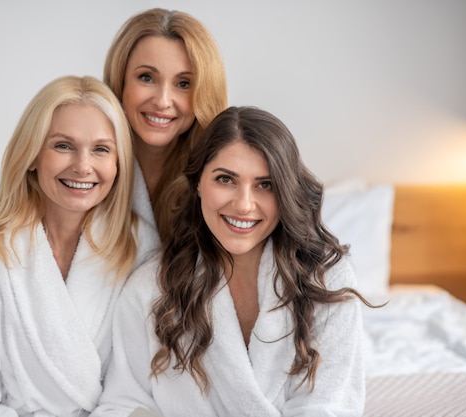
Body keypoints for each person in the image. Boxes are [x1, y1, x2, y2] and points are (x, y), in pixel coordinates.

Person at [92, 106, 372, 416]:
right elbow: (124, 404)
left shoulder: (326, 279)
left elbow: (328, 406)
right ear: (198, 183)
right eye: (226, 179)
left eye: (265, 185)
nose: (243, 204)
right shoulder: (150, 289)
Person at [0, 75, 159, 417]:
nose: (83, 166)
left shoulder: (140, 247)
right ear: (32, 154)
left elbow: (138, 391)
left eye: (101, 149)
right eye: (63, 145)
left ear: (118, 164)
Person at [103, 8, 228, 244]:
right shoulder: (85, 170)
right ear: (120, 81)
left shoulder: (220, 181)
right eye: (147, 78)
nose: (162, 101)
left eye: (183, 83)